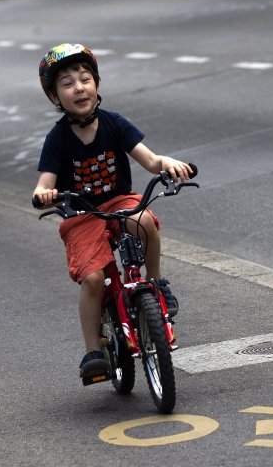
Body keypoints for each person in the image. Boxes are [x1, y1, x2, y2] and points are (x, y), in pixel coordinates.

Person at [32, 43, 193, 379]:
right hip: (81, 214)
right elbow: (43, 183)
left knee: (144, 220)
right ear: (55, 98)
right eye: (67, 83)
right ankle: (93, 350)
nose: (79, 87)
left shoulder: (114, 123)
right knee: (93, 278)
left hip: (119, 201)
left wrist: (169, 164)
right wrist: (44, 194)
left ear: (97, 85)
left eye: (85, 79)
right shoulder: (57, 139)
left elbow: (151, 161)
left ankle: (157, 281)